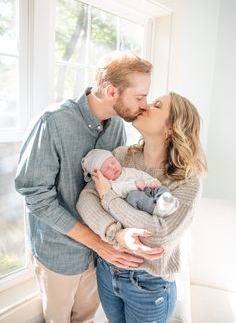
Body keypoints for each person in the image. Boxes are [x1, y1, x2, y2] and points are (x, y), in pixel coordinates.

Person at [14, 51, 164, 323]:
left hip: (101, 254)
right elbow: (36, 197)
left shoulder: (117, 124)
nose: (144, 105)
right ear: (111, 91)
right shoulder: (53, 122)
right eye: (140, 97)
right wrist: (99, 243)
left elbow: (113, 185)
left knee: (85, 318)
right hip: (60, 252)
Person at [77, 92, 207, 323]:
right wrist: (116, 233)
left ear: (171, 128)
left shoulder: (186, 181)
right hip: (108, 270)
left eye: (157, 105)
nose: (145, 105)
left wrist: (108, 197)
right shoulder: (120, 157)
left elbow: (158, 234)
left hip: (150, 284)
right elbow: (85, 200)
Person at [81, 148, 179, 217]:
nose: (113, 167)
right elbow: (121, 190)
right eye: (107, 169)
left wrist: (151, 181)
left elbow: (141, 175)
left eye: (113, 162)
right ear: (101, 176)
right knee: (134, 196)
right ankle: (156, 208)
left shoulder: (127, 170)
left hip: (147, 188)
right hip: (136, 200)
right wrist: (134, 185)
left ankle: (166, 199)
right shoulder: (111, 184)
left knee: (159, 187)